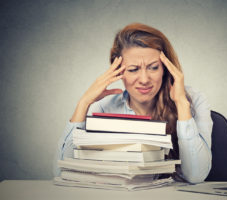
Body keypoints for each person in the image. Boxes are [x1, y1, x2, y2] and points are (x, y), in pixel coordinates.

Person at [53, 23, 213, 183]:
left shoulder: (194, 101)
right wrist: (84, 103)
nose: (144, 79)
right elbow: (61, 173)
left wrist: (182, 105)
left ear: (165, 69)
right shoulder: (103, 108)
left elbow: (195, 175)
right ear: (118, 71)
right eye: (133, 69)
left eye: (153, 67)